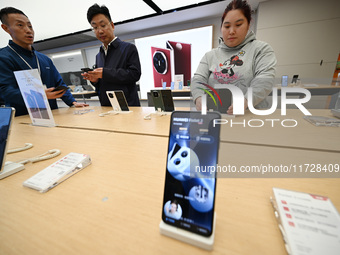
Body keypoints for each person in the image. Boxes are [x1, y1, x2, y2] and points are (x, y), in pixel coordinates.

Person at [191, 0, 277, 114]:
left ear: (248, 25)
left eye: (238, 25)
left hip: (251, 116)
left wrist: (246, 101)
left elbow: (265, 80)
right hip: (217, 117)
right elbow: (198, 80)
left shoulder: (261, 49)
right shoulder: (210, 55)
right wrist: (199, 97)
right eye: (226, 26)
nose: (231, 31)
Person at [0, 7, 88, 117]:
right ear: (6, 28)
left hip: (53, 115)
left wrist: (72, 102)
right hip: (23, 119)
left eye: (30, 26)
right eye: (20, 25)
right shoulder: (3, 57)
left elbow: (59, 83)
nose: (28, 30)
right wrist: (39, 95)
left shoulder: (44, 59)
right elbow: (6, 92)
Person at [82, 4, 141, 106]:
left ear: (112, 26)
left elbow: (135, 75)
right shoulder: (98, 55)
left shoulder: (128, 48)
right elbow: (103, 84)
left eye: (103, 25)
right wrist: (95, 81)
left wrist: (105, 73)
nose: (100, 31)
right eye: (95, 27)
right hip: (106, 107)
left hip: (128, 107)